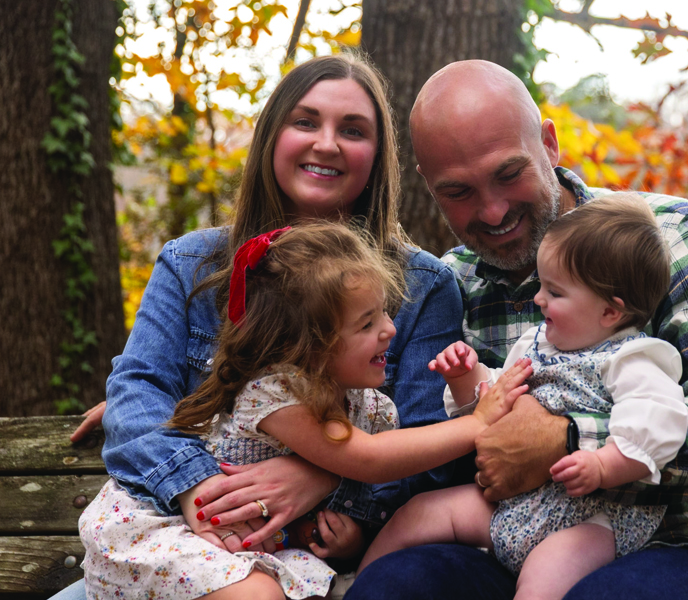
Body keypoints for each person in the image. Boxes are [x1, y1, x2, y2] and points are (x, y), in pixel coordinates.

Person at [345, 60, 688, 600]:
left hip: (682, 547)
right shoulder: (448, 284)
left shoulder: (670, 236)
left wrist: (571, 440)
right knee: (396, 586)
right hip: (508, 542)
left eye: (509, 174)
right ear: (430, 187)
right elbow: (422, 439)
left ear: (549, 144)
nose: (492, 210)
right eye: (458, 191)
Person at [53, 53, 464, 600]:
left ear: (377, 156)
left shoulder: (424, 284)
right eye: (305, 121)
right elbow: (138, 393)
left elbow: (420, 446)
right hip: (178, 536)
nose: (327, 143)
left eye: (353, 130)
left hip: (302, 557)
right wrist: (200, 490)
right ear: (273, 135)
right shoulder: (194, 262)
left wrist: (324, 474)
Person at [79, 222, 528, 599]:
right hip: (171, 530)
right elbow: (369, 460)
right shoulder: (278, 395)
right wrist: (478, 422)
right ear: (309, 347)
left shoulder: (366, 403)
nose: (390, 331)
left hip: (258, 546)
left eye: (384, 314)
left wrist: (342, 531)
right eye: (366, 323)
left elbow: (356, 484)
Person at [358, 197, 688, 600]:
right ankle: (354, 584)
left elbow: (659, 418)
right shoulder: (537, 344)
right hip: (514, 506)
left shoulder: (631, 359)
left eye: (555, 292)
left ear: (610, 312)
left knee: (543, 582)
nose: (538, 300)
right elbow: (493, 401)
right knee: (419, 513)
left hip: (587, 518)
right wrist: (468, 376)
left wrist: (603, 465)